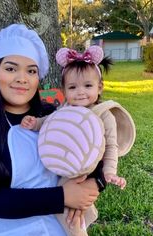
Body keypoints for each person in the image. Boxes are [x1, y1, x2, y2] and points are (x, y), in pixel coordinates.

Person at [0, 24, 107, 236]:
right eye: (11, 68)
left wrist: (96, 183)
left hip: (58, 227)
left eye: (31, 71)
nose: (22, 78)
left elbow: (96, 149)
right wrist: (61, 197)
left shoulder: (55, 115)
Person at [21, 45, 136, 235]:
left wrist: (109, 172)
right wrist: (35, 123)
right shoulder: (65, 110)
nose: (80, 92)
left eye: (88, 86)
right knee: (64, 201)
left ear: (100, 88)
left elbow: (111, 146)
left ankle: (78, 230)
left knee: (74, 209)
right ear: (64, 91)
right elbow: (51, 123)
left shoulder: (104, 114)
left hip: (88, 169)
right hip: (64, 165)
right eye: (73, 87)